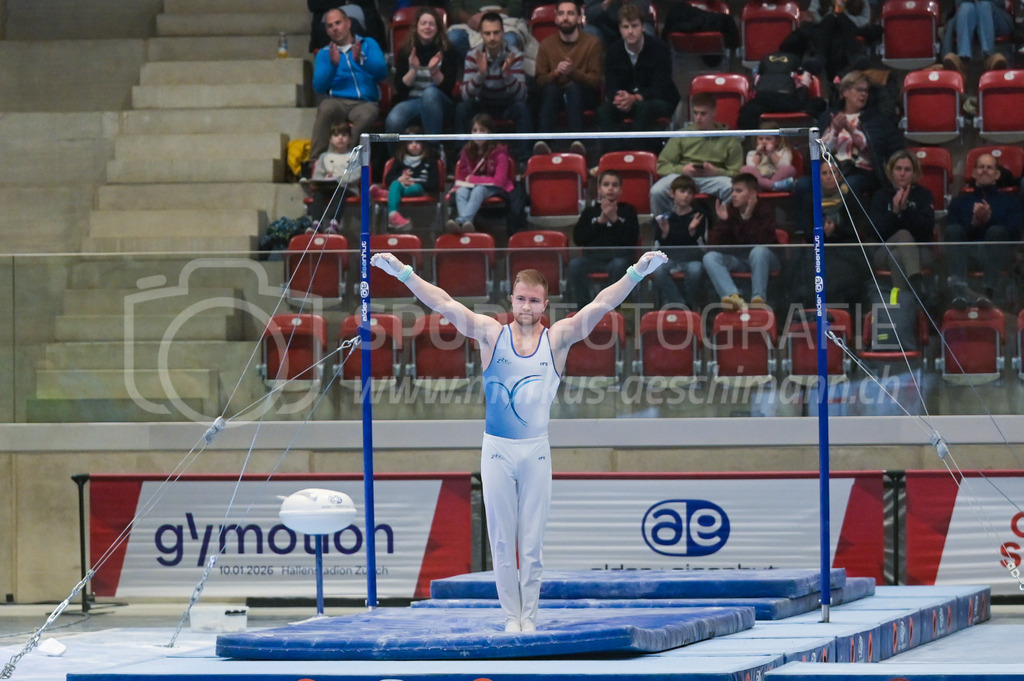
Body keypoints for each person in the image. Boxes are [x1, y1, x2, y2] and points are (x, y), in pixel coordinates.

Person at [370, 248, 668, 632]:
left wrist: (636, 272)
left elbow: (600, 305)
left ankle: (530, 618)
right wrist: (403, 272)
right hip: (496, 449)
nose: (526, 306)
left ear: (545, 305)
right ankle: (511, 617)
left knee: (531, 545)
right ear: (511, 299)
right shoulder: (490, 333)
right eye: (521, 298)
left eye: (534, 301)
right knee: (501, 542)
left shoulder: (558, 338)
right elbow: (443, 302)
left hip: (535, 452)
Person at [806, 70, 905, 198]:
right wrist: (835, 131)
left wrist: (851, 130)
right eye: (859, 90)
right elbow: (819, 151)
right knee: (803, 185)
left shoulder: (876, 119)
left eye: (866, 91)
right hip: (829, 170)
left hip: (860, 172)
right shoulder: (828, 117)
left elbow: (872, 149)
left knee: (851, 185)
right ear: (845, 92)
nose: (864, 94)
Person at [595, 4, 679, 153]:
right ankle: (615, 154)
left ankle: (634, 153)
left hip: (659, 100)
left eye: (634, 26)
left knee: (644, 107)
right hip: (626, 101)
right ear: (620, 29)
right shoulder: (614, 51)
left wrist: (635, 97)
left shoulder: (660, 48)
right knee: (603, 111)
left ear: (643, 27)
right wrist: (620, 97)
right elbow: (610, 86)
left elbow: (661, 86)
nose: (630, 31)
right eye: (625, 27)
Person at [944, 152, 1023, 308]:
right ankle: (960, 293)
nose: (985, 170)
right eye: (981, 167)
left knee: (997, 231)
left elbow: (1014, 233)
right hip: (968, 254)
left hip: (998, 255)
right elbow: (949, 231)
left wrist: (989, 220)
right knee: (953, 230)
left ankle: (988, 293)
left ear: (997, 174)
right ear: (974, 173)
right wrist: (973, 223)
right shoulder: (959, 202)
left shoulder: (1010, 202)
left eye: (989, 167)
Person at [310, 8, 388, 162]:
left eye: (338, 23)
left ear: (348, 23)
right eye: (330, 26)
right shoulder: (324, 53)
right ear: (327, 30)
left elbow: (382, 72)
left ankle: (346, 161)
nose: (335, 28)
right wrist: (332, 66)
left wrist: (362, 61)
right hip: (337, 101)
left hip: (365, 102)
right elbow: (318, 87)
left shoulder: (368, 44)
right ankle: (315, 163)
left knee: (366, 117)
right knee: (325, 109)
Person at [456, 12, 531, 162]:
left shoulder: (514, 54)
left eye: (496, 33)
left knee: (522, 108)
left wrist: (507, 74)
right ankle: (462, 159)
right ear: (481, 34)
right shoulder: (473, 55)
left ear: (503, 33)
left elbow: (522, 95)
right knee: (463, 108)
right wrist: (480, 75)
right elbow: (465, 95)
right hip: (483, 105)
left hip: (507, 104)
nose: (492, 38)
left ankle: (525, 160)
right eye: (487, 33)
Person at [650, 92, 742, 214]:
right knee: (656, 191)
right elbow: (662, 166)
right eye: (695, 113)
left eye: (703, 113)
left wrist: (716, 172)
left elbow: (737, 172)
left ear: (714, 112)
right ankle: (668, 226)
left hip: (713, 179)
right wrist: (682, 170)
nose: (698, 117)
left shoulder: (729, 138)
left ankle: (724, 226)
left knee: (734, 189)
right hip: (682, 178)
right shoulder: (682, 135)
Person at [532, 0, 604, 154]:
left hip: (584, 95)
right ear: (556, 18)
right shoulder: (546, 44)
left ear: (579, 18)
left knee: (574, 88)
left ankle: (576, 142)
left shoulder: (593, 43)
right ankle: (543, 143)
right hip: (555, 95)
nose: (565, 18)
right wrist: (556, 73)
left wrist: (573, 72)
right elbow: (539, 81)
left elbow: (596, 82)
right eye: (561, 14)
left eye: (570, 13)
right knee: (550, 90)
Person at [701, 173, 780, 310]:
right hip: (739, 259)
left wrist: (748, 218)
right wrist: (724, 222)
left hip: (766, 259)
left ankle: (758, 298)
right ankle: (733, 297)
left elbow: (762, 241)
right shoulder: (729, 210)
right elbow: (713, 246)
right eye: (732, 191)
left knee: (758, 251)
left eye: (739, 191)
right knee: (710, 257)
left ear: (752, 194)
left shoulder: (765, 210)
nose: (733, 195)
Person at [568, 170, 641, 309]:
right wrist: (600, 221)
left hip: (619, 259)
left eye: (615, 185)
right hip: (593, 259)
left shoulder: (628, 210)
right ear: (599, 189)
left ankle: (609, 308)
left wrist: (615, 219)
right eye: (606, 184)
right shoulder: (590, 212)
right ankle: (584, 308)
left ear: (620, 189)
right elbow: (579, 238)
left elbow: (631, 240)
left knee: (620, 265)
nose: (610, 188)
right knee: (575, 265)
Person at [868, 150, 936, 298]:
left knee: (898, 256)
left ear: (914, 173)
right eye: (898, 169)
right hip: (883, 251)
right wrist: (895, 212)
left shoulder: (924, 195)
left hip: (919, 251)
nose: (902, 173)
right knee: (903, 235)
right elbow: (878, 232)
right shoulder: (880, 196)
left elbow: (926, 231)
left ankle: (902, 302)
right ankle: (917, 284)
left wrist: (905, 211)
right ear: (891, 172)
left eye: (907, 169)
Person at [386, 7, 459, 141]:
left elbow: (449, 88)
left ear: (438, 28)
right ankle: (397, 158)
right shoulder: (406, 51)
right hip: (413, 101)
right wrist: (413, 70)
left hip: (439, 101)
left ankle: (434, 150)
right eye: (423, 23)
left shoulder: (448, 50)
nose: (427, 27)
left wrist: (434, 72)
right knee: (394, 119)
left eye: (431, 24)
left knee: (430, 93)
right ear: (416, 27)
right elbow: (399, 89)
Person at [445, 114, 514, 233]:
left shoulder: (499, 152)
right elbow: (462, 177)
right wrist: (456, 186)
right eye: (474, 130)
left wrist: (474, 180)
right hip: (473, 185)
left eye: (482, 130)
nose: (478, 133)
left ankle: (462, 221)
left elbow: (499, 181)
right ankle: (467, 225)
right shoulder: (466, 150)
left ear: (490, 133)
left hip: (496, 188)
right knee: (461, 191)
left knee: (479, 190)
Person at [649, 174, 709, 309]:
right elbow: (661, 244)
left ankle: (690, 302)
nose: (686, 195)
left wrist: (692, 231)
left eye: (689, 192)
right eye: (682, 191)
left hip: (691, 259)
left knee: (696, 270)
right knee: (657, 270)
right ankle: (681, 304)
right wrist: (665, 233)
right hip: (670, 258)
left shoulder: (699, 216)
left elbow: (700, 245)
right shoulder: (664, 217)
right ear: (672, 193)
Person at [381, 127, 440, 231]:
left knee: (415, 188)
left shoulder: (430, 160)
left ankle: (392, 194)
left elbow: (435, 183)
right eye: (410, 142)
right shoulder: (399, 160)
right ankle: (393, 215)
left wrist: (415, 182)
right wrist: (400, 179)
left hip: (420, 189)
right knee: (395, 183)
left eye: (417, 142)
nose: (414, 145)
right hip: (402, 186)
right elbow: (388, 179)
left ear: (423, 144)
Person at [307, 122, 360, 232]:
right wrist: (325, 179)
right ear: (330, 139)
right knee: (317, 193)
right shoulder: (324, 157)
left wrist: (339, 179)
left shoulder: (355, 156)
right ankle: (316, 223)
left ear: (350, 139)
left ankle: (334, 223)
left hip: (346, 188)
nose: (340, 138)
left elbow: (356, 175)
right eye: (336, 135)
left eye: (344, 135)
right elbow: (318, 175)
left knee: (339, 191)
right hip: (327, 187)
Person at [940, 0, 1012, 73]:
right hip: (969, 16)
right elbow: (958, 2)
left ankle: (989, 56)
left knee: (984, 6)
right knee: (966, 7)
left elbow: (1002, 3)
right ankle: (964, 59)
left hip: (996, 18)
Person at [447, 0, 525, 59]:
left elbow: (515, 9)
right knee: (454, 37)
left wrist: (489, 14)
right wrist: (470, 20)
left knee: (510, 40)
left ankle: (496, 74)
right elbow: (455, 9)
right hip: (470, 21)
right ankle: (473, 70)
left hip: (502, 20)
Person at [740, 128, 799, 193]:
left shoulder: (784, 151)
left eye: (768, 139)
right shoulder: (752, 153)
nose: (764, 142)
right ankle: (773, 186)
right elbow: (751, 168)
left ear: (777, 141)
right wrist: (758, 154)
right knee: (745, 169)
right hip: (759, 179)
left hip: (778, 178)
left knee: (790, 169)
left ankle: (766, 186)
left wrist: (771, 153)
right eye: (760, 139)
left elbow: (784, 166)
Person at [583, 0, 654, 46]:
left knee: (646, 33)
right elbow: (590, 15)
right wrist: (606, 3)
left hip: (634, 24)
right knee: (589, 31)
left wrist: (626, 2)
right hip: (607, 28)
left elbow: (643, 10)